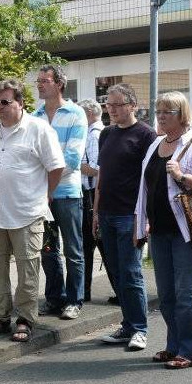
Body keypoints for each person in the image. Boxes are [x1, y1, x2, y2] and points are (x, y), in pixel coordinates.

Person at [135, 91, 192, 369]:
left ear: (182, 115)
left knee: (187, 292)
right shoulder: (157, 144)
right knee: (167, 294)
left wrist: (183, 176)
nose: (160, 116)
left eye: (166, 112)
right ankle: (174, 345)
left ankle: (190, 350)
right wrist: (140, 225)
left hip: (186, 231)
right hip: (159, 230)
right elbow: (144, 190)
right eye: (158, 111)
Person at [0, 79, 64, 343]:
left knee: (27, 269)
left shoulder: (38, 129)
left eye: (5, 102)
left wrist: (46, 196)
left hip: (27, 212)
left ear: (21, 103)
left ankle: (25, 319)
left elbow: (56, 167)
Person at [92, 84, 156, 351]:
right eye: (109, 105)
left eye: (117, 105)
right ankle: (127, 326)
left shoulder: (146, 135)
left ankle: (139, 328)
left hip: (130, 215)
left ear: (132, 105)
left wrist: (146, 217)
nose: (112, 109)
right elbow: (101, 175)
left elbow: (151, 180)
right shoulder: (105, 134)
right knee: (117, 274)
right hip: (106, 212)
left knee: (131, 274)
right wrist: (95, 212)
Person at [32, 64, 87, 320]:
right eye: (38, 81)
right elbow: (32, 157)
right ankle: (55, 298)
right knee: (47, 248)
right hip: (43, 195)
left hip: (66, 193)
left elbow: (73, 159)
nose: (40, 85)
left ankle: (75, 300)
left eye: (45, 80)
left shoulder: (76, 114)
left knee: (73, 249)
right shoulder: (35, 116)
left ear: (59, 84)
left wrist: (47, 182)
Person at [77, 98, 116, 303]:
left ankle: (85, 291)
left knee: (91, 245)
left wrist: (77, 164)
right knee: (95, 245)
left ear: (89, 114)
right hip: (93, 196)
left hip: (92, 196)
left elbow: (97, 170)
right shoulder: (100, 133)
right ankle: (85, 290)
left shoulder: (94, 135)